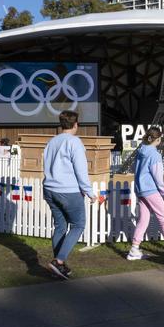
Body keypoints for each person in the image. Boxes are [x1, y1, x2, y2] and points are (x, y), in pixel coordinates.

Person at [42, 110, 97, 279]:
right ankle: (58, 262)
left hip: (50, 188)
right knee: (78, 225)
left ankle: (59, 265)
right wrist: (89, 192)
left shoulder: (52, 142)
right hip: (68, 190)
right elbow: (81, 170)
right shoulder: (75, 142)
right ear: (75, 124)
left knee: (60, 226)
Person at [126, 127, 164, 261]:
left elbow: (135, 170)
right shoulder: (154, 155)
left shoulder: (141, 151)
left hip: (141, 189)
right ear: (158, 139)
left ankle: (134, 249)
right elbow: (158, 178)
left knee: (144, 219)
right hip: (151, 190)